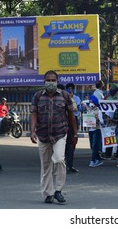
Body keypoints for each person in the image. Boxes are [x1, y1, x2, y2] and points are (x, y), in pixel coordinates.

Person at [30, 70, 77, 204]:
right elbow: (33, 114)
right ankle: (48, 194)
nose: (51, 82)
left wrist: (75, 133)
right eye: (48, 80)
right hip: (43, 135)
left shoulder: (64, 95)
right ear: (44, 82)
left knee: (59, 159)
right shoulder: (38, 96)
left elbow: (71, 115)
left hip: (60, 133)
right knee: (46, 166)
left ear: (57, 81)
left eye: (53, 80)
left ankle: (58, 190)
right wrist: (32, 131)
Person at [65, 83, 81, 173]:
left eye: (72, 88)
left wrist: (71, 99)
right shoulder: (62, 97)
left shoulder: (77, 98)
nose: (70, 90)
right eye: (69, 89)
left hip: (73, 120)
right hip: (64, 121)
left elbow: (77, 109)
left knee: (72, 144)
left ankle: (70, 166)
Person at [87, 95, 104, 167]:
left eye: (92, 101)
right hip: (90, 129)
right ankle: (99, 159)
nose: (90, 103)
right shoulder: (89, 110)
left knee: (94, 146)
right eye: (90, 101)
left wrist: (98, 119)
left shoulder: (98, 111)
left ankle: (93, 160)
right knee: (92, 146)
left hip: (96, 129)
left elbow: (102, 122)